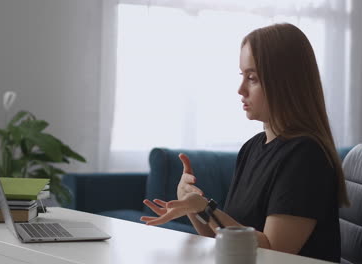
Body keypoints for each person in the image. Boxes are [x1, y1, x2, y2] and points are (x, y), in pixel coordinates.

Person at [140, 23, 349, 263]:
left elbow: (273, 250)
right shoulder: (252, 148)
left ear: (285, 83)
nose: (240, 89)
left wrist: (205, 209)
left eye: (252, 78)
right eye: (242, 76)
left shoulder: (306, 157)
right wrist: (193, 208)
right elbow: (225, 238)